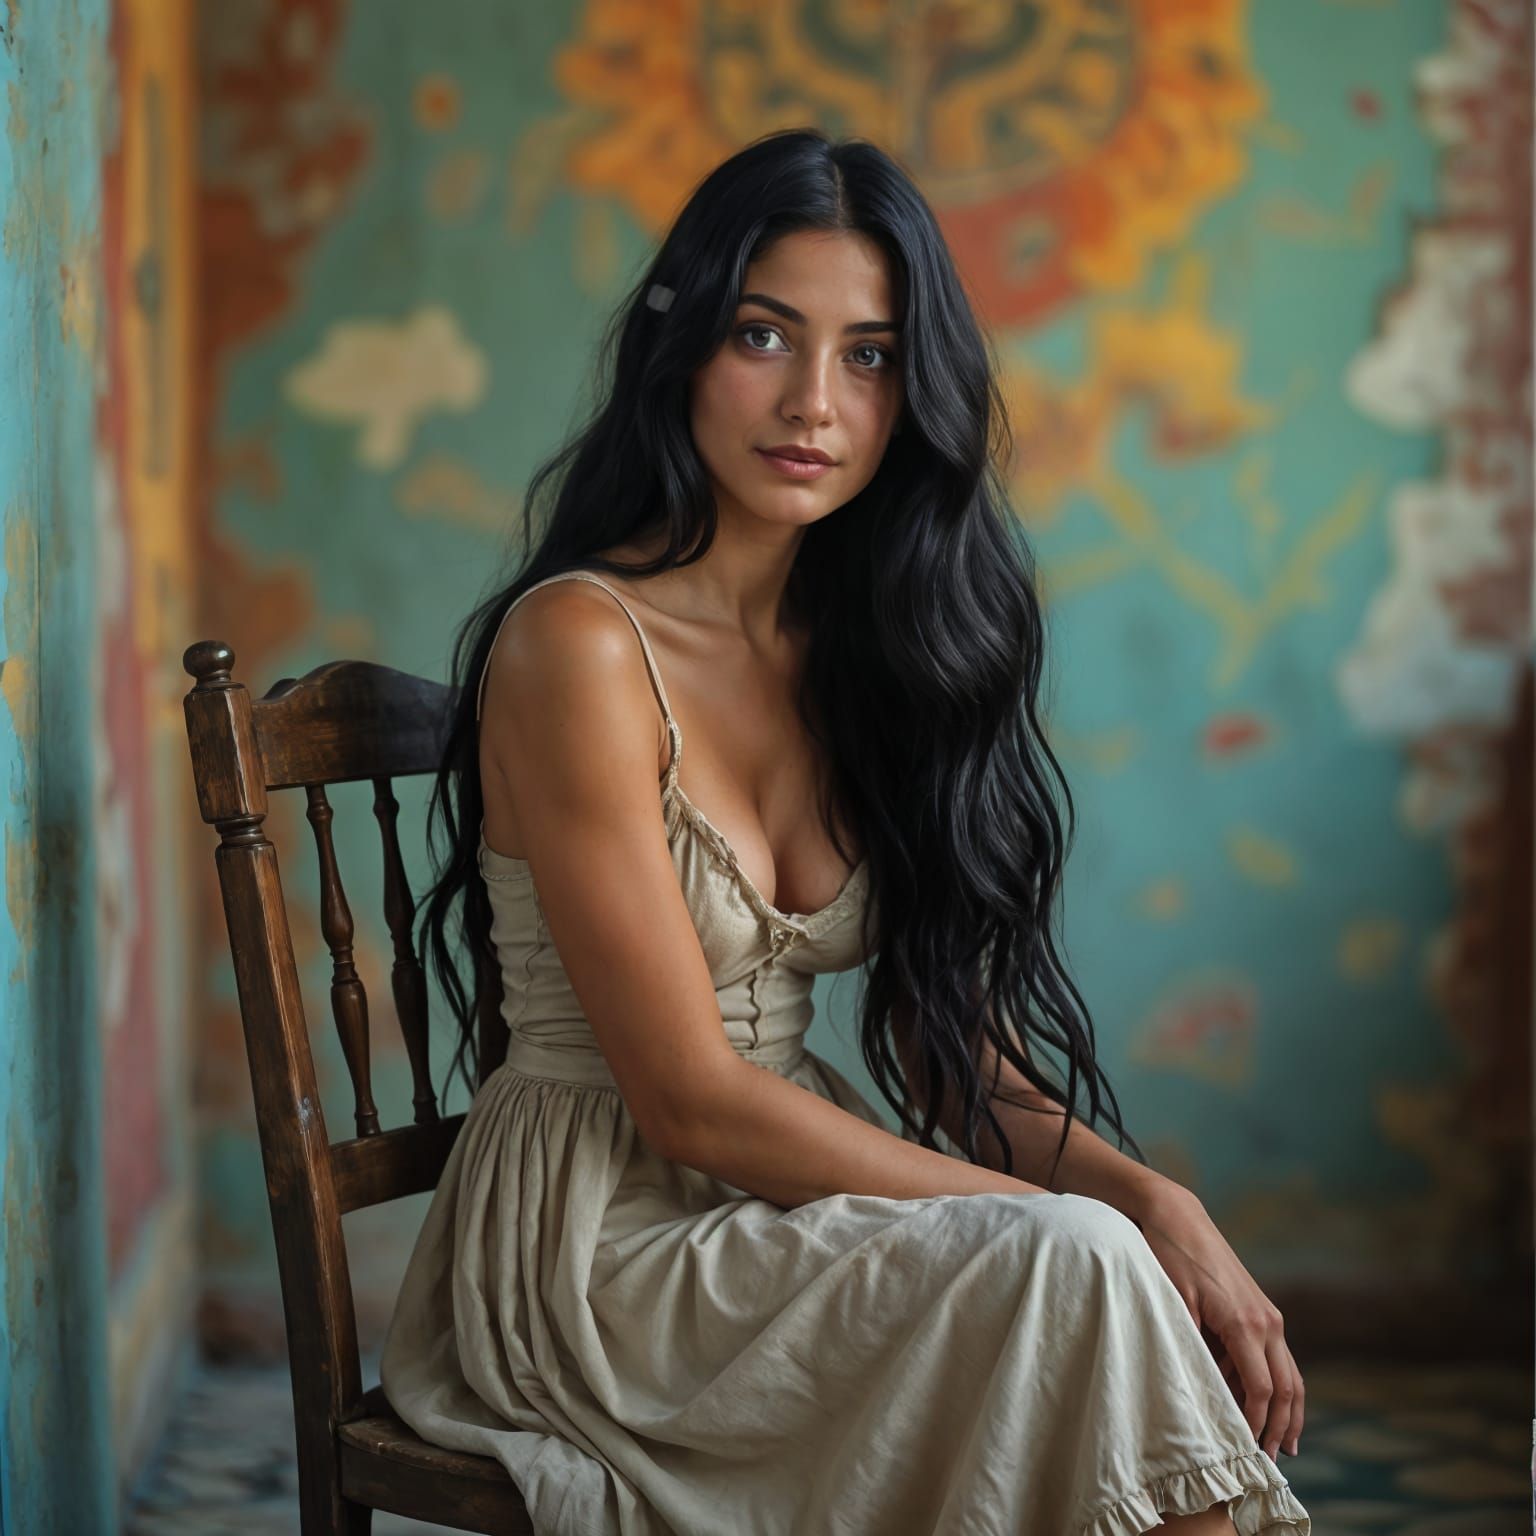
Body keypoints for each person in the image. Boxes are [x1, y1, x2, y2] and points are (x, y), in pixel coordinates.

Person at [381, 127, 1312, 1536]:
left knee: (1094, 1266)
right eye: (766, 335)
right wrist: (1053, 1228)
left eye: (870, 355)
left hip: (779, 1203)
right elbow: (688, 1101)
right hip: (599, 1249)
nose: (814, 400)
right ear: (681, 347)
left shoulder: (868, 647)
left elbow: (945, 1045)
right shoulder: (578, 645)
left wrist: (1146, 1197)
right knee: (1070, 1277)